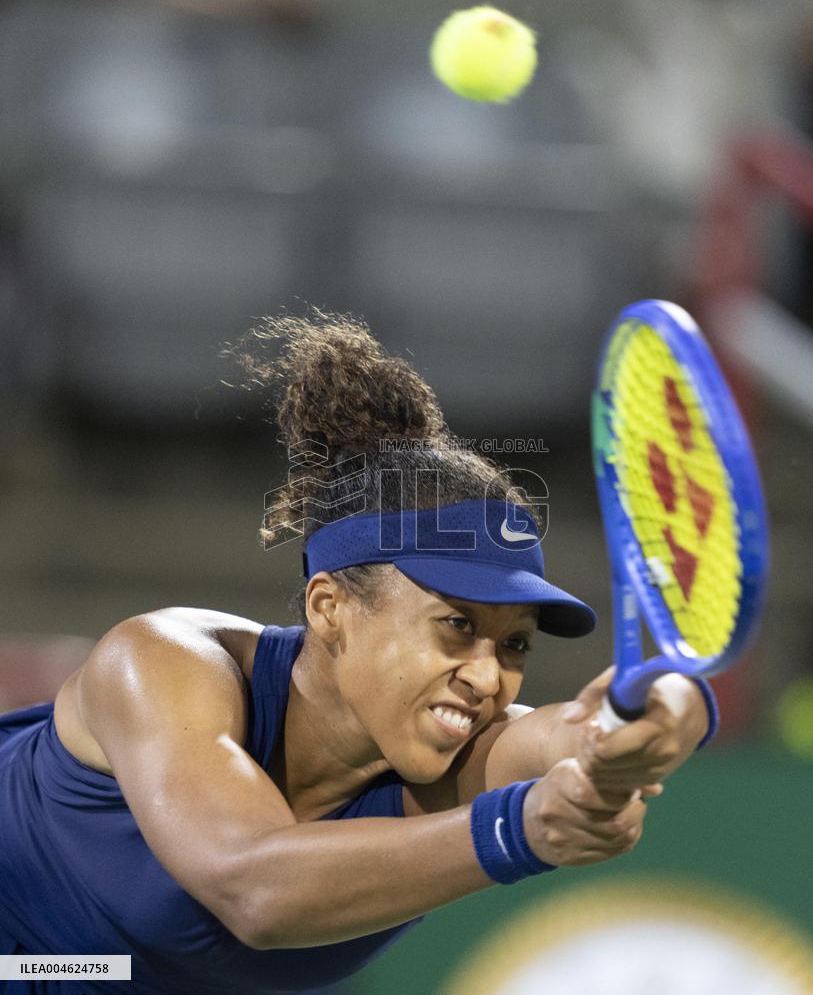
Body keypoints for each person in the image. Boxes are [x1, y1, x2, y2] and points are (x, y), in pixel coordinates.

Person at [0, 311, 716, 994]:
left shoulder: (458, 752)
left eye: (514, 643)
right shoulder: (160, 661)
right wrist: (520, 829)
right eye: (456, 625)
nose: (485, 675)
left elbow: (572, 735)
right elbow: (254, 887)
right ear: (329, 607)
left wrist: (663, 711)